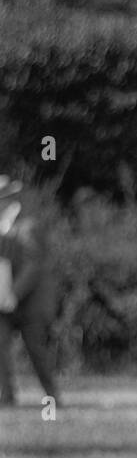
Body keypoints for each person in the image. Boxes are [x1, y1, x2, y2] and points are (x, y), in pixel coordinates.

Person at [0, 175, 60, 408]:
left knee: (37, 350)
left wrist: (13, 294)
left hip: (31, 302)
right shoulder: (3, 226)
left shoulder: (28, 225)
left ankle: (53, 395)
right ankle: (6, 397)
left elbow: (32, 265)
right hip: (5, 302)